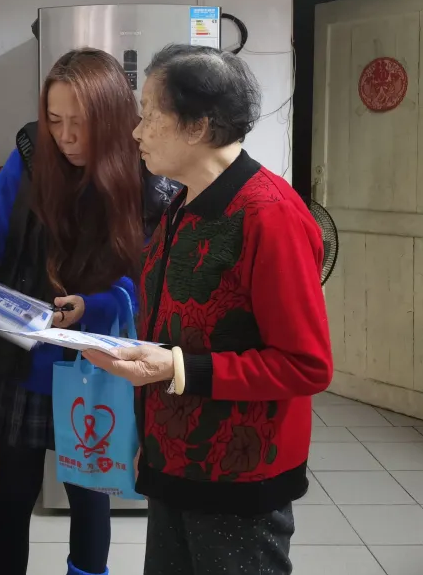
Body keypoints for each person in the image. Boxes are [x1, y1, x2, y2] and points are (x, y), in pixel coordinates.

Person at [86, 44, 333, 575]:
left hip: (239, 480)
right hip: (176, 464)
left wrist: (176, 368)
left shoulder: (270, 216)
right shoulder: (185, 202)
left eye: (149, 115)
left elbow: (306, 365)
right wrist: (152, 439)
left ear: (197, 126)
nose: (136, 132)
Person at [0, 48, 167, 575]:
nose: (65, 137)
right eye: (54, 119)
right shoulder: (30, 152)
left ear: (112, 118)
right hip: (22, 359)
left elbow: (149, 274)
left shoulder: (146, 173)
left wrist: (94, 304)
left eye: (80, 123)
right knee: (13, 493)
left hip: (92, 362)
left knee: (89, 497)